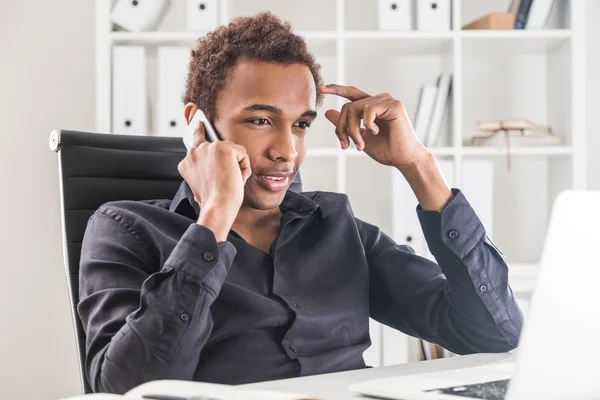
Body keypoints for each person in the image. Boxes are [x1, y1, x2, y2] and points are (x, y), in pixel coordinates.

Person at [78, 12, 523, 394]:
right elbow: (126, 389)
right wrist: (214, 217)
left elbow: (493, 334)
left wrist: (418, 165)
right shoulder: (126, 228)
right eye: (260, 119)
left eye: (302, 124)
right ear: (199, 125)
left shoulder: (335, 225)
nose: (287, 150)